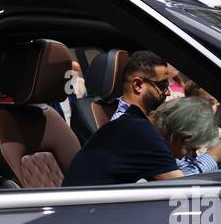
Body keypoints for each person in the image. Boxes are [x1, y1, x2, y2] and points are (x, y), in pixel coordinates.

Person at [64, 50, 185, 186]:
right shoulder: (136, 129)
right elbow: (182, 188)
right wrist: (211, 156)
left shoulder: (129, 123)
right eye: (163, 85)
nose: (168, 92)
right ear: (138, 85)